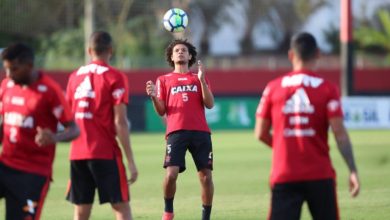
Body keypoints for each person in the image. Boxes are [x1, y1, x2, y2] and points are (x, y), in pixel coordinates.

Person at [254, 32, 360, 220]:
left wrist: (283, 146)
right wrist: (352, 170)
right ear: (318, 54)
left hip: (284, 173)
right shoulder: (328, 88)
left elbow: (260, 132)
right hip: (320, 174)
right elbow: (340, 134)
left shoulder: (273, 87)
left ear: (291, 55)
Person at [0, 43, 80, 220]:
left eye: (13, 69)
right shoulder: (6, 86)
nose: (8, 74)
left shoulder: (49, 91)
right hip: (5, 164)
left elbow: (74, 129)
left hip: (32, 174)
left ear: (29, 66)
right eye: (6, 69)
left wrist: (54, 137)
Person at [65, 31, 138, 220]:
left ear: (89, 50)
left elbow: (67, 117)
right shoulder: (115, 77)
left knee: (81, 209)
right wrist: (130, 161)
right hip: (104, 151)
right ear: (110, 50)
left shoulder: (74, 77)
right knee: (120, 206)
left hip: (78, 153)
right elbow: (120, 122)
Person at [145, 39, 214, 220]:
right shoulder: (164, 80)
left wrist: (202, 81)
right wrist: (153, 97)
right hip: (176, 132)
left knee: (206, 177)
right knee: (171, 174)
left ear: (190, 56)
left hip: (200, 132)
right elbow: (161, 110)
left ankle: (205, 216)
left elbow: (210, 104)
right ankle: (168, 211)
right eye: (177, 50)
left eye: (184, 50)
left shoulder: (198, 77)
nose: (180, 52)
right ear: (171, 56)